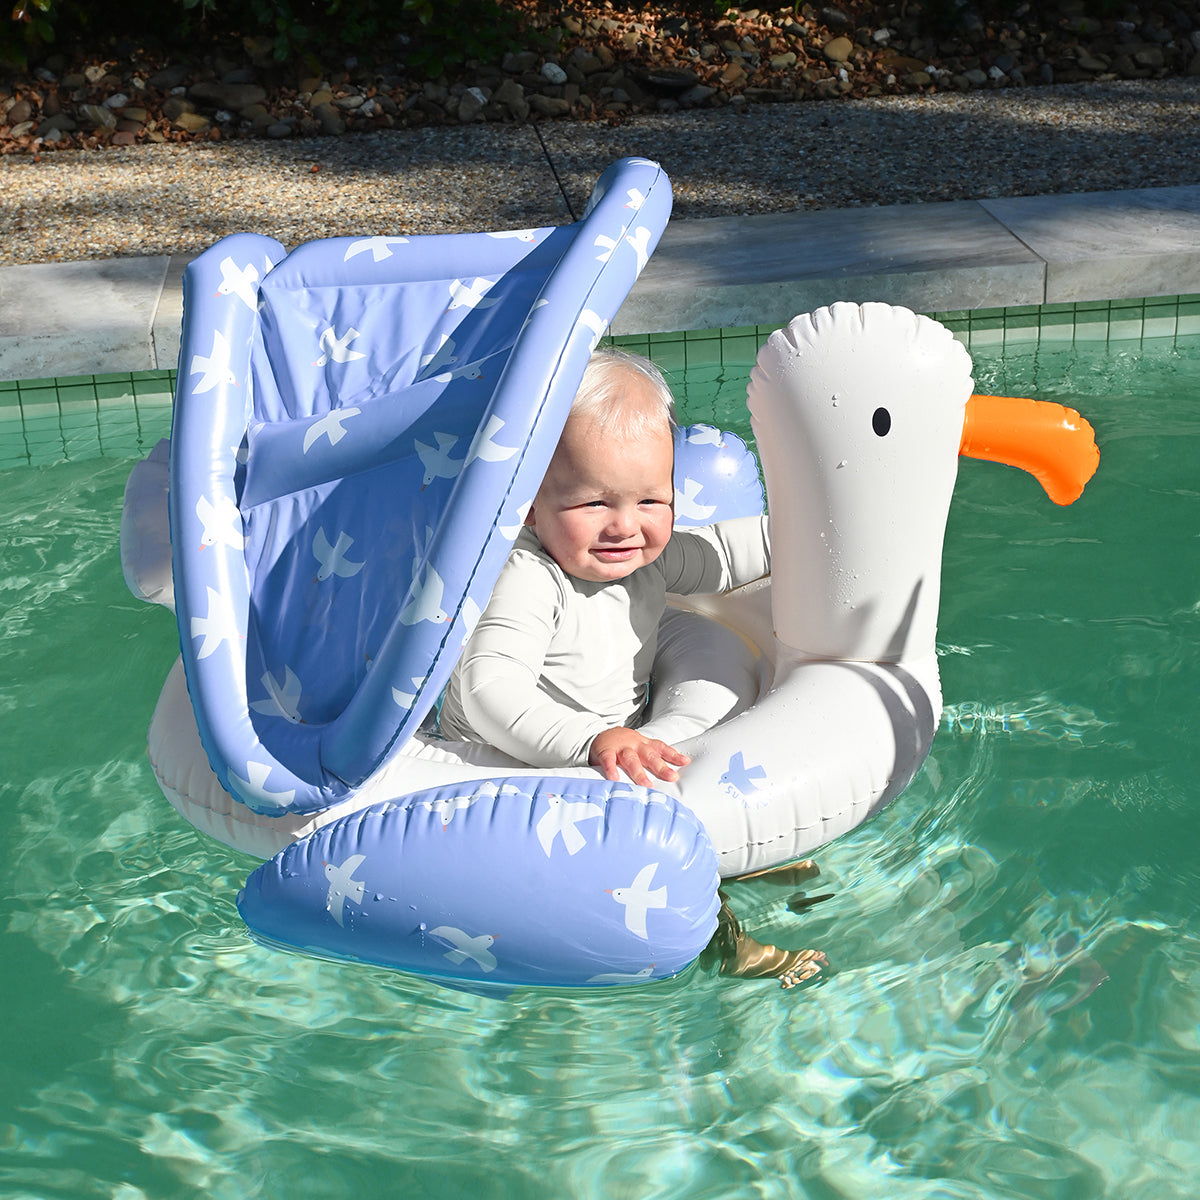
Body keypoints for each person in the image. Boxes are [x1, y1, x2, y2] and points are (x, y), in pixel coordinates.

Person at [438, 346, 771, 787]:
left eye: (649, 500)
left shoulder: (646, 557)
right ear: (529, 505)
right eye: (594, 503)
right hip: (497, 764)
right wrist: (592, 740)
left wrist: (800, 535)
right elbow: (491, 692)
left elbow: (723, 555)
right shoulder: (527, 577)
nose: (625, 527)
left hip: (606, 744)